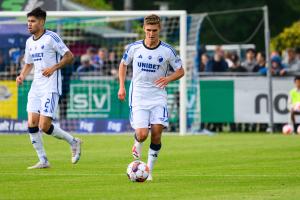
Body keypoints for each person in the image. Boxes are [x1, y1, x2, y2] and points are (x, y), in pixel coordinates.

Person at [118, 14, 184, 181]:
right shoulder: (134, 48)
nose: (151, 33)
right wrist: (121, 87)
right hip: (139, 94)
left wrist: (168, 78)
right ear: (144, 29)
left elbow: (181, 70)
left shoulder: (168, 50)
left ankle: (148, 171)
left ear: (159, 29)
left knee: (156, 133)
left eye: (154, 30)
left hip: (158, 95)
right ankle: (137, 142)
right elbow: (123, 65)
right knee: (142, 134)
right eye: (148, 30)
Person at [16, 7, 82, 169]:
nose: (29, 24)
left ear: (42, 22)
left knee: (44, 126)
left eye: (33, 21)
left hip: (51, 86)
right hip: (36, 86)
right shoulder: (29, 41)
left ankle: (73, 141)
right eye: (28, 21)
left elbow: (69, 56)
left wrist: (53, 68)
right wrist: (22, 75)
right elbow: (29, 63)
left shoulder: (51, 37)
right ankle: (43, 160)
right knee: (31, 122)